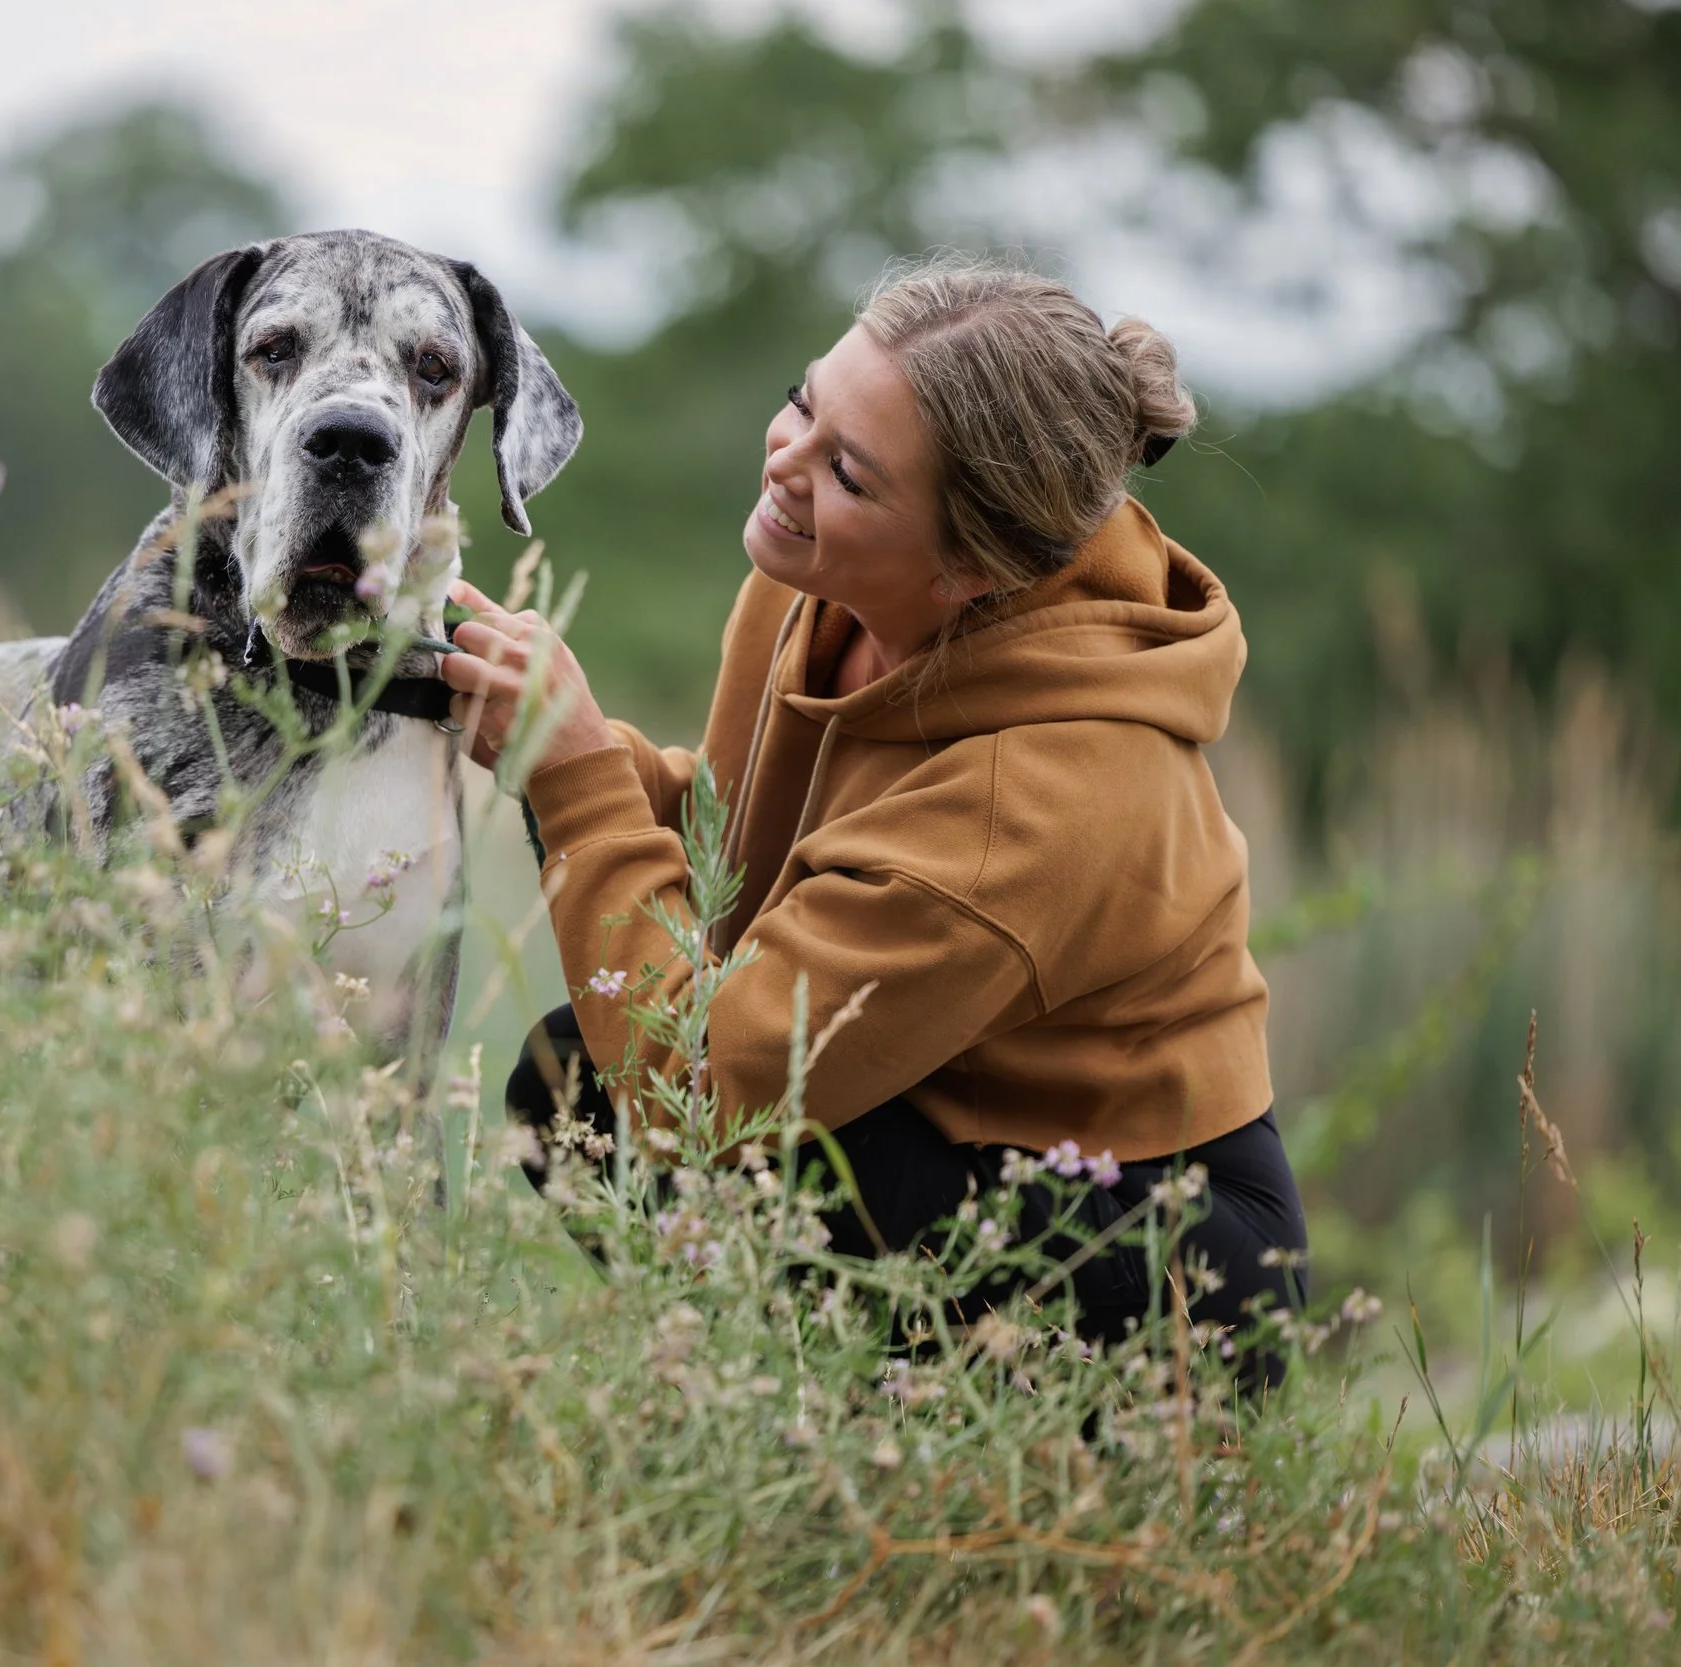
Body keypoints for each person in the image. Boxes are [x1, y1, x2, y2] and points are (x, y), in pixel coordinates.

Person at [437, 255, 1307, 1364]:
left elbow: (698, 1096)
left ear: (966, 571)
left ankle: (948, 1475)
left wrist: (569, 777)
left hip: (1154, 1251)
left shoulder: (1036, 804)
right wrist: (552, 733)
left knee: (640, 1115)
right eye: (804, 401)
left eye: (848, 472)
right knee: (577, 1078)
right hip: (929, 1124)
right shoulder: (816, 589)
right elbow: (728, 867)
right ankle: (785, 1442)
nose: (785, 462)